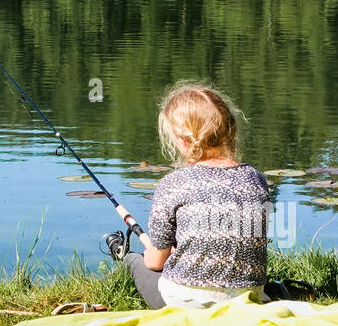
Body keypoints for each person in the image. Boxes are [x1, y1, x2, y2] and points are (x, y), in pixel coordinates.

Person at [107, 82, 270, 309]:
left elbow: (155, 262)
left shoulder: (173, 183)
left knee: (136, 261)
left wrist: (152, 255)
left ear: (184, 141)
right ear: (230, 130)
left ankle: (124, 258)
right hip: (249, 298)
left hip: (186, 303)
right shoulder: (256, 178)